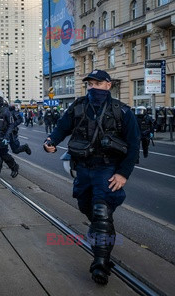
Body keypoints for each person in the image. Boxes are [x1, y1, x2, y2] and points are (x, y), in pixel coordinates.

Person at [43, 69, 140, 285]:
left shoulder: (122, 111)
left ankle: (100, 264)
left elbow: (134, 145)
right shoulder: (78, 106)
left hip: (107, 169)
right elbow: (61, 128)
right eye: (90, 84)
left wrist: (123, 174)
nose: (93, 87)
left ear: (108, 85)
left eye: (98, 83)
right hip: (83, 169)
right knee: (86, 207)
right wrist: (51, 141)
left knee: (101, 213)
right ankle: (99, 229)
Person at [0, 90, 19, 178]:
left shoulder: (6, 111)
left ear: (0, 100)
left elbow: (11, 124)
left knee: (4, 155)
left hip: (2, 137)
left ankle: (14, 167)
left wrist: (6, 137)